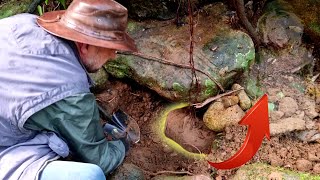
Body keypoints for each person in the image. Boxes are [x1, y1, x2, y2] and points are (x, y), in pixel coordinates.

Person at [0, 0, 138, 179]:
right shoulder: (69, 92)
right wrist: (122, 144)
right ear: (85, 45)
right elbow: (101, 160)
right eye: (112, 48)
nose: (113, 56)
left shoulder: (25, 22)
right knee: (91, 175)